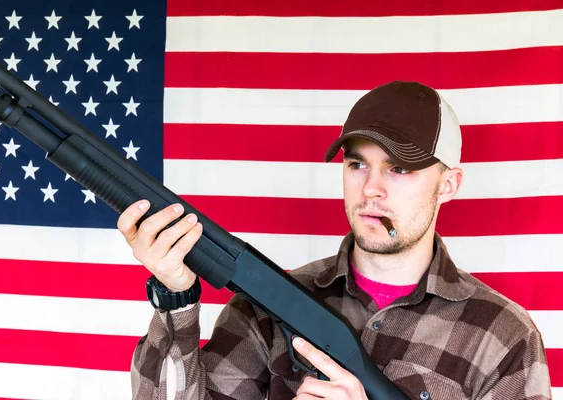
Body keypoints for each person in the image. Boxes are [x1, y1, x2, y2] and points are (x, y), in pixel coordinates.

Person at [119, 81, 552, 399]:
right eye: (357, 164)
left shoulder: (503, 335)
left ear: (449, 185)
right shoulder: (266, 305)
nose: (371, 189)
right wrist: (176, 298)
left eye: (400, 169)